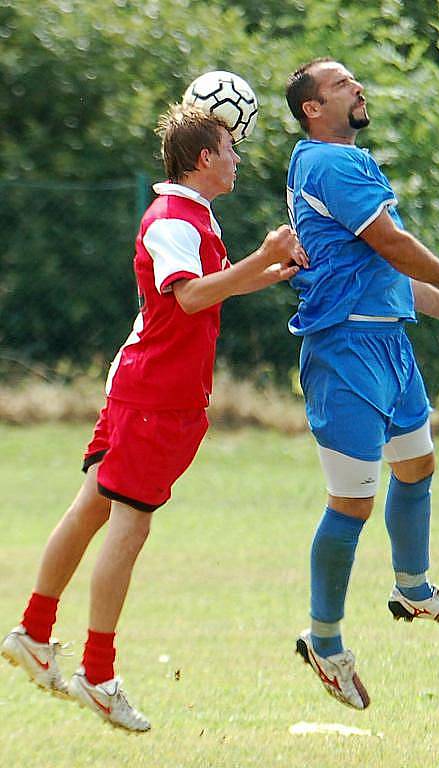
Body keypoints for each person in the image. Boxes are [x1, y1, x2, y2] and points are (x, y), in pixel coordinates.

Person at [1, 104, 306, 732]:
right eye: (230, 146)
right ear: (204, 159)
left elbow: (211, 284)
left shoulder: (193, 214)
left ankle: (33, 633)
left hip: (146, 392)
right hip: (153, 400)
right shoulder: (172, 218)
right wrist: (261, 254)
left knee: (91, 509)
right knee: (128, 527)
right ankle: (97, 671)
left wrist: (271, 270)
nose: (238, 157)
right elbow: (190, 296)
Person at [284, 58, 439, 710]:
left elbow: (388, 273)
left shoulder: (347, 162)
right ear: (312, 110)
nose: (357, 87)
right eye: (340, 85)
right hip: (347, 348)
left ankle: (413, 588)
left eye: (355, 79)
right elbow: (393, 242)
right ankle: (324, 643)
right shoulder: (326, 162)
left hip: (387, 343)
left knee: (417, 466)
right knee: (351, 502)